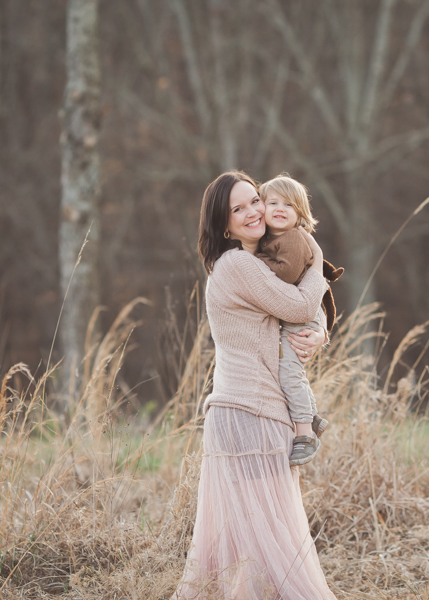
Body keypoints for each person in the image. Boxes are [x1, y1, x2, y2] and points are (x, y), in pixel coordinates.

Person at [172, 170, 337, 599]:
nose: (252, 212)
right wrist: (317, 259)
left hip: (248, 410)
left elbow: (295, 312)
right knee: (271, 541)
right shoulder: (238, 265)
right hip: (251, 412)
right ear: (224, 225)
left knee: (252, 543)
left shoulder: (259, 265)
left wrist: (320, 333)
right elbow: (299, 305)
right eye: (238, 209)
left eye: (255, 200)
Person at [257, 174, 336, 466]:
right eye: (273, 202)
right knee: (291, 369)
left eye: (289, 204)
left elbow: (288, 273)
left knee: (289, 371)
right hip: (303, 312)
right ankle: (311, 417)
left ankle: (305, 435)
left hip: (304, 314)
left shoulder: (291, 237)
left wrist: (257, 263)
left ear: (300, 213)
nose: (280, 208)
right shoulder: (274, 239)